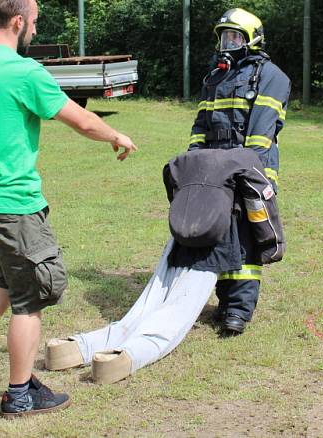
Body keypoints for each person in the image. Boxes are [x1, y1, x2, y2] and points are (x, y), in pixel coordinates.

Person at [0, 0, 137, 418]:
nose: (35, 28)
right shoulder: (24, 71)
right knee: (32, 296)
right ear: (19, 21)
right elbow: (79, 119)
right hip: (14, 204)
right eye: (35, 20)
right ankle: (19, 394)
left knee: (9, 281)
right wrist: (116, 134)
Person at [44, 148, 284, 384]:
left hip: (180, 236)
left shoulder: (186, 159)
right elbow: (261, 204)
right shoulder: (248, 160)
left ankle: (70, 349)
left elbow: (172, 185)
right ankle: (124, 358)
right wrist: (271, 246)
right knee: (175, 315)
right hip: (217, 236)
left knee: (146, 307)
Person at [187, 8, 291, 335]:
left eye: (234, 36)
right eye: (223, 36)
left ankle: (240, 310)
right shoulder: (216, 77)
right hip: (214, 167)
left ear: (252, 40)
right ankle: (224, 301)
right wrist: (194, 160)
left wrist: (245, 169)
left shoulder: (272, 76)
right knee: (219, 234)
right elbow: (201, 124)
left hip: (250, 167)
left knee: (247, 236)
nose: (226, 42)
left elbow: (261, 134)